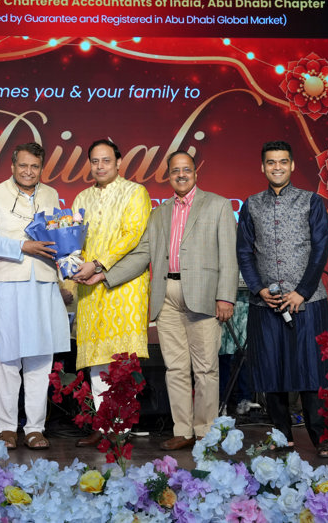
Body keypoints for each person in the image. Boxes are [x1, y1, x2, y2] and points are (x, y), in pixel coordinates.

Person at [101, 151, 238, 450]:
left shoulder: (217, 205)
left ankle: (205, 432)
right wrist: (105, 274)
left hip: (203, 296)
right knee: (175, 369)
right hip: (166, 297)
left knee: (205, 369)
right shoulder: (159, 213)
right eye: (175, 170)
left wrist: (226, 296)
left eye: (186, 169)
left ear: (195, 173)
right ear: (169, 175)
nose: (181, 175)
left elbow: (229, 255)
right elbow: (142, 254)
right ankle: (183, 430)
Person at [236, 140, 328, 457]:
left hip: (308, 301)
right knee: (271, 371)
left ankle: (321, 436)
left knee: (311, 371)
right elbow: (244, 252)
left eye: (282, 162)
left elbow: (320, 251)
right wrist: (258, 288)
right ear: (262, 167)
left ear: (291, 165)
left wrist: (302, 291)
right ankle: (281, 435)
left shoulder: (312, 202)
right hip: (266, 302)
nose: (276, 167)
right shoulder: (251, 205)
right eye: (270, 162)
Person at [0, 143, 71, 450]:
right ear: (12, 166)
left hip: (43, 281)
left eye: (34, 166)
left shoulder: (51, 195)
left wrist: (64, 278)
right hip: (9, 281)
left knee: (40, 358)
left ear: (41, 168)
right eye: (23, 166)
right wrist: (22, 246)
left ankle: (34, 428)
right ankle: (7, 427)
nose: (28, 171)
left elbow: (58, 238)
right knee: (8, 357)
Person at [70, 139, 150, 447]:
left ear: (118, 163)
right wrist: (72, 269)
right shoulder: (82, 197)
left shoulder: (135, 192)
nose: (100, 166)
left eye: (106, 160)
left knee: (122, 358)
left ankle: (121, 425)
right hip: (89, 286)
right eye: (95, 161)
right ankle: (102, 424)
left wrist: (98, 264)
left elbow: (132, 235)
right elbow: (74, 241)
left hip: (124, 286)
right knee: (96, 358)